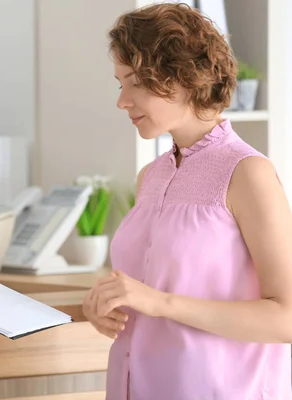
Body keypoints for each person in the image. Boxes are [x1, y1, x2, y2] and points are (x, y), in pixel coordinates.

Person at [82, 3, 292, 399]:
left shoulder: (248, 174)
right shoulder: (151, 176)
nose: (122, 100)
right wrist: (104, 305)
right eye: (119, 83)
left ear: (181, 77)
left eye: (133, 82)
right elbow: (144, 291)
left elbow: (287, 317)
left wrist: (161, 303)